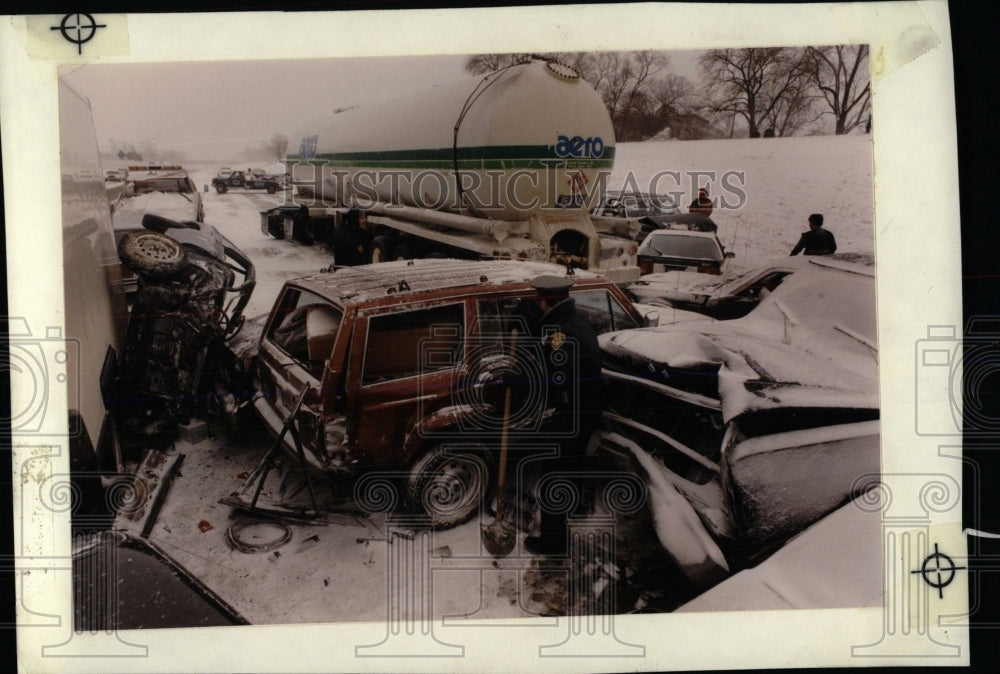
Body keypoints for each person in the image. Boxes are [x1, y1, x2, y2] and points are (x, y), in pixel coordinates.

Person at [522, 275, 605, 557]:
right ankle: (577, 505)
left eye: (538, 299)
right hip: (590, 408)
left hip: (569, 413)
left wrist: (522, 374)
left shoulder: (557, 330)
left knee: (554, 475)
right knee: (572, 463)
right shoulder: (578, 320)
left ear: (546, 300)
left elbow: (555, 373)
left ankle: (554, 544)